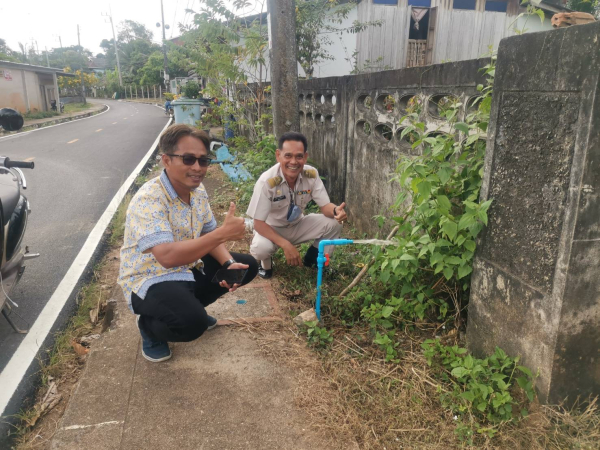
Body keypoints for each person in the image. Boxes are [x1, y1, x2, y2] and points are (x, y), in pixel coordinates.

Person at [118, 124, 258, 362]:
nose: (197, 168)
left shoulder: (198, 191)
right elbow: (167, 257)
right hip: (149, 277)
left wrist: (229, 262)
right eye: (188, 159)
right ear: (166, 160)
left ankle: (188, 308)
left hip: (187, 269)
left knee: (247, 267)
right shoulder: (149, 199)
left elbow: (208, 232)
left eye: (203, 161)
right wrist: (223, 234)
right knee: (193, 325)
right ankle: (151, 327)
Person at [246, 132, 347, 279]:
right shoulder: (266, 182)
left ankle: (313, 260)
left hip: (297, 224)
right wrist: (286, 245)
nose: (293, 162)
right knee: (261, 249)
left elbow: (325, 206)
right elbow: (258, 223)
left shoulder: (311, 174)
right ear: (278, 155)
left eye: (299, 156)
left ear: (305, 157)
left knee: (334, 223)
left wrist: (336, 210)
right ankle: (265, 265)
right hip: (271, 228)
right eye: (288, 156)